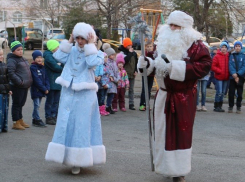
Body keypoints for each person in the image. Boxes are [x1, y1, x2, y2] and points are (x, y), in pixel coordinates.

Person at [137, 11, 212, 182]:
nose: (172, 28)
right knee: (162, 132)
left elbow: (205, 66)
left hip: (183, 97)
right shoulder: (162, 42)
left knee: (180, 134)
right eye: (170, 25)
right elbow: (152, 62)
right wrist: (146, 64)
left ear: (185, 28)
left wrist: (175, 67)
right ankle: (164, 166)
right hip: (163, 95)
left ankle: (179, 171)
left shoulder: (196, 46)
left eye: (176, 26)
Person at [45, 22, 106, 175]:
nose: (80, 41)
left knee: (81, 125)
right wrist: (69, 41)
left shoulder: (96, 52)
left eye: (82, 38)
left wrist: (91, 45)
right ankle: (65, 156)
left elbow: (92, 63)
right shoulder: (71, 50)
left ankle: (79, 159)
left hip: (85, 95)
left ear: (89, 38)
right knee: (66, 123)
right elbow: (58, 56)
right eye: (77, 38)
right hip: (68, 92)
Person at [7, 41, 33, 130]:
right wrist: (20, 82)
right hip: (17, 86)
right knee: (17, 104)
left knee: (21, 103)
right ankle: (15, 122)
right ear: (13, 51)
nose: (21, 51)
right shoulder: (11, 60)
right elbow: (11, 73)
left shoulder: (23, 58)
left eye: (22, 49)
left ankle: (20, 119)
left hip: (25, 86)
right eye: (18, 50)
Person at [43, 40, 63, 125]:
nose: (58, 48)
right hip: (51, 82)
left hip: (57, 82)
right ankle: (49, 116)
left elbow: (61, 63)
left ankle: (54, 115)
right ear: (53, 47)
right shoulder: (48, 56)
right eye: (57, 47)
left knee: (56, 101)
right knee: (50, 101)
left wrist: (60, 65)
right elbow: (56, 67)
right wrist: (61, 66)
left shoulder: (55, 55)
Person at [30, 50, 50, 127]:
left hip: (41, 90)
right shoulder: (33, 67)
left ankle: (34, 119)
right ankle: (37, 119)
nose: (39, 59)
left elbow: (46, 79)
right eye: (37, 57)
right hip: (36, 90)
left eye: (41, 57)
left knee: (38, 105)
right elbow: (36, 80)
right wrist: (44, 89)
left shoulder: (42, 67)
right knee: (36, 105)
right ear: (34, 59)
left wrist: (47, 87)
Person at [118, 37, 138, 110]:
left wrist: (136, 70)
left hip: (132, 74)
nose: (130, 47)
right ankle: (121, 103)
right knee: (122, 89)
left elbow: (136, 63)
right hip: (124, 74)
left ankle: (131, 103)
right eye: (128, 45)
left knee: (131, 89)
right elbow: (125, 61)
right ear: (125, 45)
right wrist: (129, 53)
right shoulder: (122, 53)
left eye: (130, 45)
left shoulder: (134, 53)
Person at [211, 42, 229, 112]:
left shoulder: (228, 56)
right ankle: (216, 106)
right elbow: (213, 66)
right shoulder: (217, 56)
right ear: (220, 48)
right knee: (219, 91)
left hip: (226, 77)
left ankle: (220, 106)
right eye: (223, 47)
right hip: (219, 77)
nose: (224, 49)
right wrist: (219, 71)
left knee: (223, 92)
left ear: (227, 48)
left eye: (225, 47)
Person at [228, 41, 245, 113]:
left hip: (240, 77)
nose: (237, 47)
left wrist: (238, 74)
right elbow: (230, 65)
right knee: (231, 93)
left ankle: (238, 107)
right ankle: (230, 106)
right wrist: (234, 74)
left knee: (239, 93)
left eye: (239, 46)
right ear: (234, 47)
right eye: (236, 46)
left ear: (241, 47)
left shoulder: (243, 56)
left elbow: (244, 66)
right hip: (232, 77)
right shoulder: (231, 55)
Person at [139, 39, 156, 111]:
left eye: (151, 46)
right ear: (145, 47)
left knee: (149, 90)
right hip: (145, 74)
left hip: (151, 74)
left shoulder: (154, 55)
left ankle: (147, 104)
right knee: (144, 90)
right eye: (148, 46)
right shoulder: (145, 54)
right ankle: (142, 104)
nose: (149, 48)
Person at [103, 43, 119, 114]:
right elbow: (110, 73)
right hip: (110, 82)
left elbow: (117, 71)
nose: (113, 56)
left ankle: (109, 106)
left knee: (112, 95)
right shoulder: (108, 63)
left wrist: (118, 78)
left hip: (114, 81)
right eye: (112, 55)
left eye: (114, 55)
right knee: (109, 95)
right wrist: (115, 79)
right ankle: (107, 106)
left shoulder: (114, 63)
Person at [0, 48, 12, 133]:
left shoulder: (5, 65)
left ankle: (4, 126)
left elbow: (8, 79)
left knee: (4, 110)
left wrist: (9, 89)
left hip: (5, 91)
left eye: (1, 55)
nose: (1, 57)